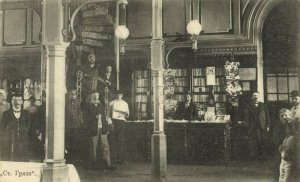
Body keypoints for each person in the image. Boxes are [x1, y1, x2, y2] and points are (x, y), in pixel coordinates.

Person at [84, 91, 116, 170]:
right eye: (94, 95)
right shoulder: (88, 106)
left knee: (105, 146)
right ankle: (93, 165)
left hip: (102, 128)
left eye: (97, 95)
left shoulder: (100, 105)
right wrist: (94, 117)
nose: (96, 97)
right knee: (93, 147)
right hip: (93, 129)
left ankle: (108, 164)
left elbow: (104, 116)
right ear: (91, 96)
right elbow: (85, 118)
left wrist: (106, 128)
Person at [0, 93, 32, 161]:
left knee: (23, 161)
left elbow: (29, 127)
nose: (17, 102)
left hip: (23, 143)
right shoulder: (6, 114)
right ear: (11, 101)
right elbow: (2, 128)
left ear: (22, 101)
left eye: (19, 100)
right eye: (14, 100)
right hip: (10, 143)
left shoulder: (27, 113)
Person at [244, 91, 270, 160]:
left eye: (257, 95)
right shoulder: (248, 106)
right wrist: (248, 126)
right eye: (254, 95)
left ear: (259, 96)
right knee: (253, 141)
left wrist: (268, 126)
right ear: (252, 97)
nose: (256, 97)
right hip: (252, 127)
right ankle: (254, 157)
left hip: (262, 126)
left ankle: (262, 156)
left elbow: (267, 116)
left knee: (262, 141)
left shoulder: (263, 105)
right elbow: (246, 117)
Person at [107, 90, 129, 164]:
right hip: (114, 122)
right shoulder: (112, 103)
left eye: (120, 95)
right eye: (117, 95)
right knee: (113, 140)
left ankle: (121, 158)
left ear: (122, 95)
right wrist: (110, 123)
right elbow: (108, 115)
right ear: (115, 95)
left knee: (121, 140)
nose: (119, 96)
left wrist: (123, 114)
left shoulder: (125, 103)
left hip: (121, 122)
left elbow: (127, 114)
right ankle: (113, 158)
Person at [278, 110, 298, 182]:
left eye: (286, 115)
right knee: (281, 175)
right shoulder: (285, 134)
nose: (284, 117)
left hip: (290, 159)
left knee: (287, 178)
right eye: (282, 116)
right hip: (283, 157)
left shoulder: (294, 136)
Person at [65, 89, 82, 164]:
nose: (73, 95)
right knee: (68, 142)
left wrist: (77, 121)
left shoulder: (78, 103)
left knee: (75, 142)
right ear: (69, 95)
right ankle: (68, 158)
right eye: (71, 94)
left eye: (74, 94)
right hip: (68, 125)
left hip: (75, 126)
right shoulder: (66, 103)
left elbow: (79, 113)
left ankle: (74, 159)